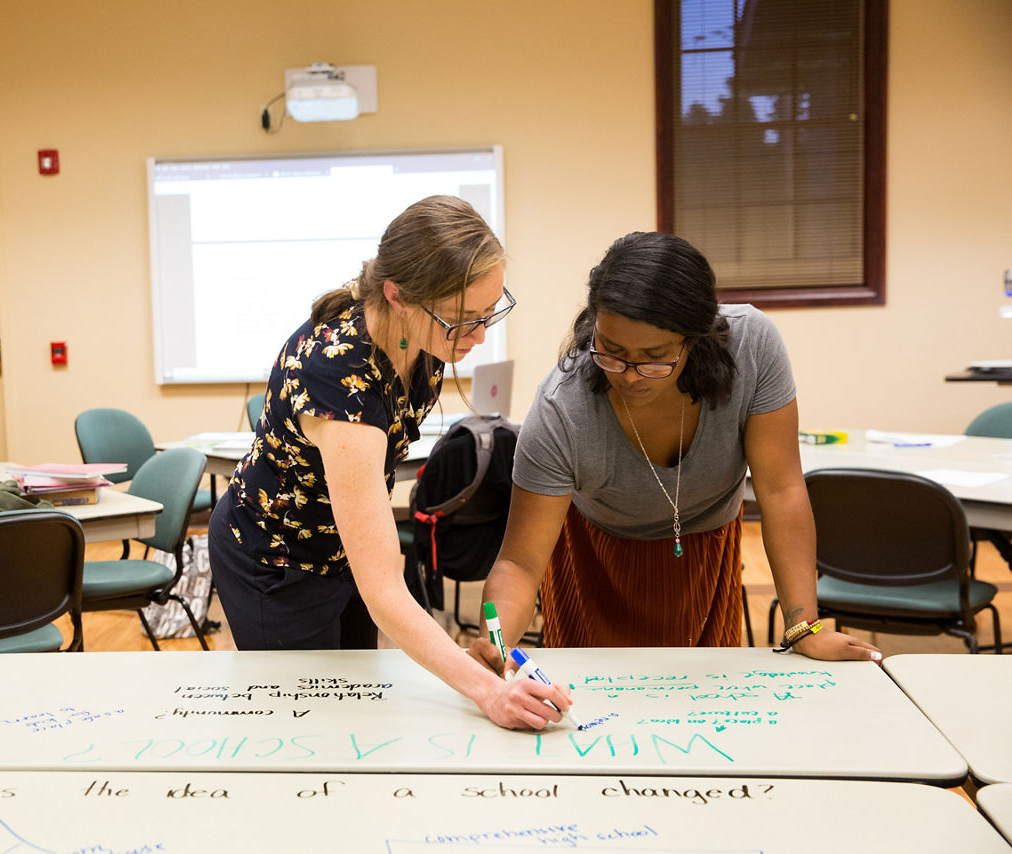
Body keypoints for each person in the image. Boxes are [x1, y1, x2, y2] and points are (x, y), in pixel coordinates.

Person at [209, 195, 574, 730]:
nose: (479, 336)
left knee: (360, 714)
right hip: (276, 561)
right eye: (461, 321)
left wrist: (487, 669)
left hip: (340, 552)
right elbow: (385, 592)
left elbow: (377, 579)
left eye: (488, 313)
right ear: (397, 295)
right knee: (307, 729)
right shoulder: (336, 377)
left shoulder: (420, 339)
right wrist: (490, 693)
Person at [470, 231, 881, 666]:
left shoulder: (753, 347)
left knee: (702, 693)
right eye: (610, 350)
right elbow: (519, 562)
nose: (629, 375)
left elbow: (781, 490)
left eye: (654, 356)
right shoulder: (561, 408)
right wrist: (494, 652)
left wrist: (804, 627)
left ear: (695, 338)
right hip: (594, 560)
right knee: (591, 693)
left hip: (706, 553)